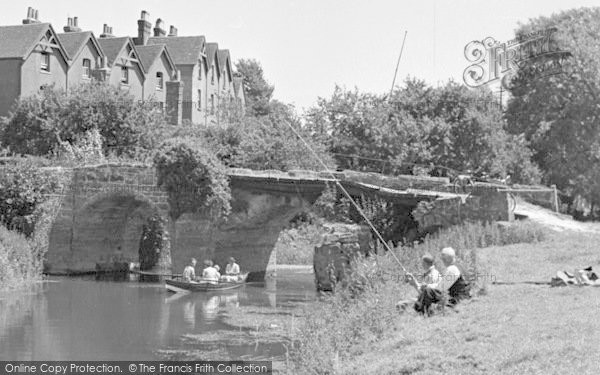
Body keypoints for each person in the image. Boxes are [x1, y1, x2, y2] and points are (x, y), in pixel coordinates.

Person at [414, 247, 471, 316]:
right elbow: (443, 284)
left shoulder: (452, 269)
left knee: (428, 291)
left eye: (442, 258)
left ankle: (422, 311)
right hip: (464, 294)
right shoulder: (458, 266)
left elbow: (441, 288)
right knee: (429, 290)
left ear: (446, 259)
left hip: (458, 298)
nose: (442, 260)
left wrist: (428, 286)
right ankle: (422, 309)